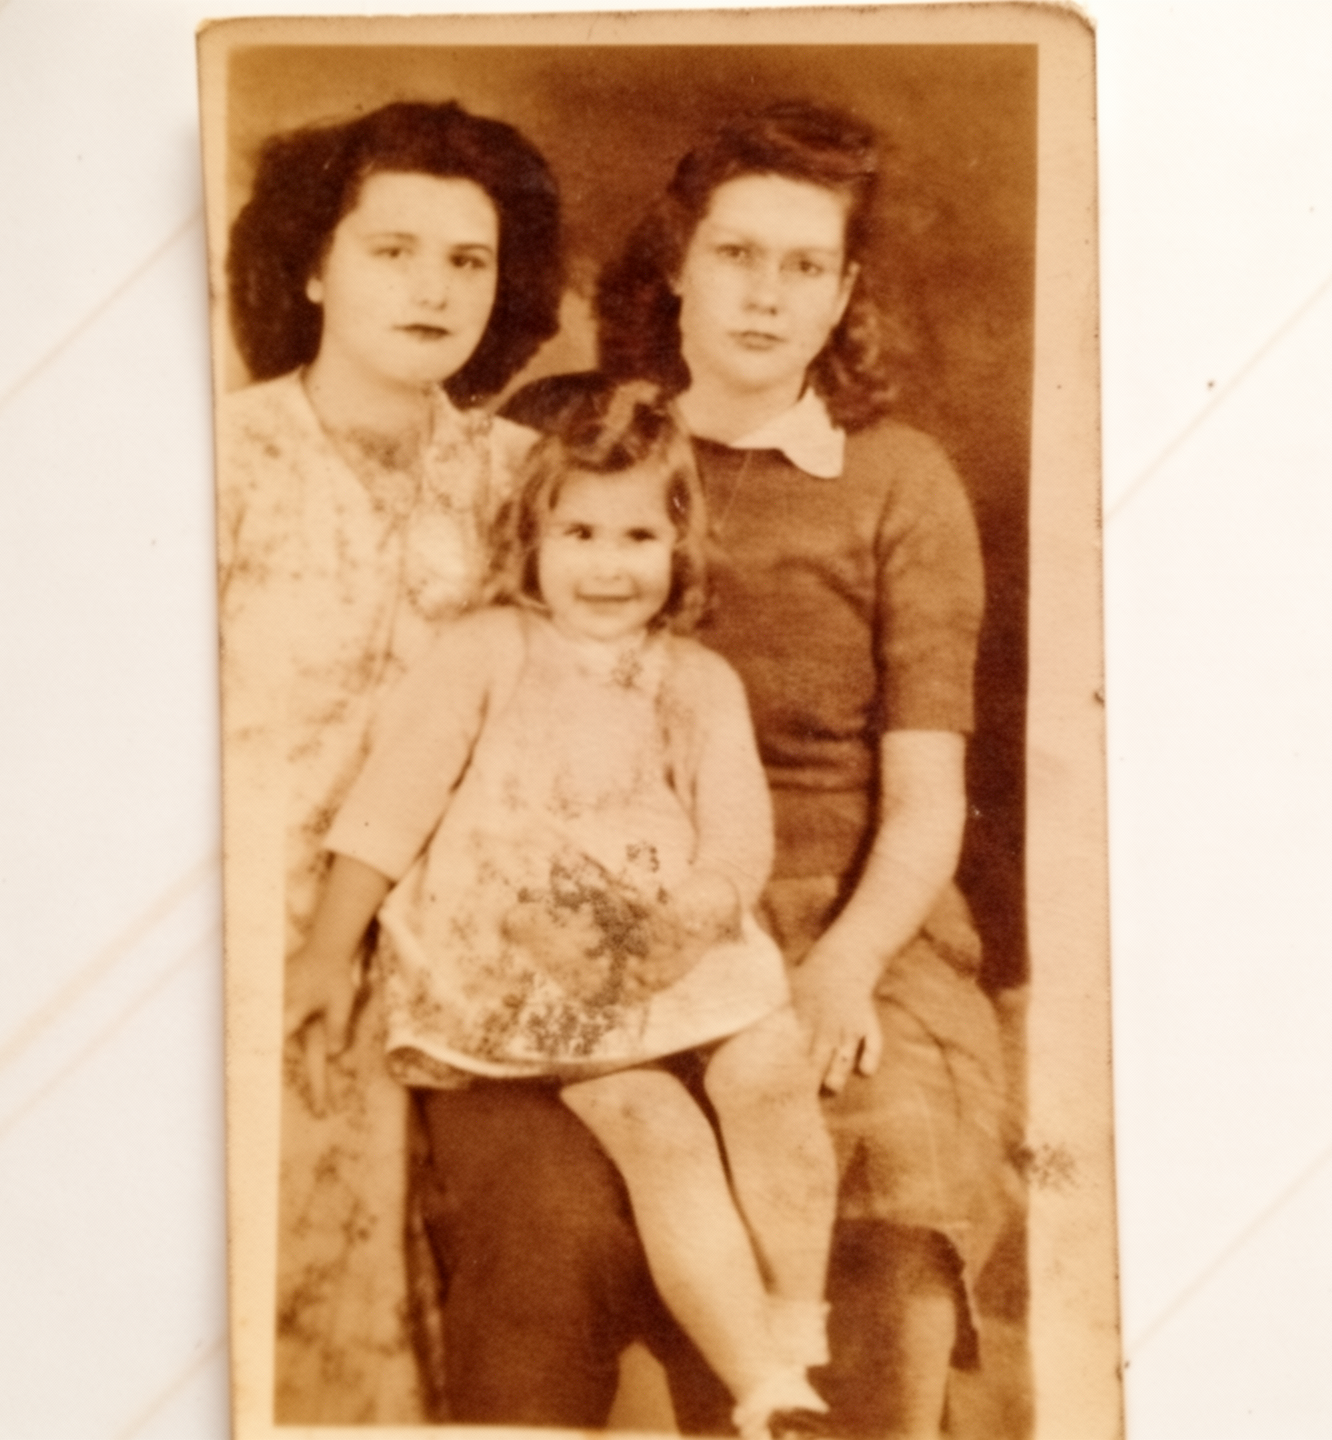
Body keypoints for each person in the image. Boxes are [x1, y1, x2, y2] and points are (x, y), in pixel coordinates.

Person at [414, 101, 1018, 1440]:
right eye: (738, 254)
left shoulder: (899, 481)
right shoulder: (567, 433)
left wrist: (844, 968)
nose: (766, 293)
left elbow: (926, 799)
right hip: (579, 904)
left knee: (886, 1181)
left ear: (844, 294)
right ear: (679, 263)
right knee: (553, 1217)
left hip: (834, 909)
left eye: (806, 267)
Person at [290, 383, 839, 1440]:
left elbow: (737, 835)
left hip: (675, 939)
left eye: (638, 536)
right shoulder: (490, 650)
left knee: (769, 1073)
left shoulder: (697, 680)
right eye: (579, 533)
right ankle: (766, 1390)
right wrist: (326, 949)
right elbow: (392, 802)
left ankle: (796, 1331)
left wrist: (696, 914)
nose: (607, 565)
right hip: (539, 958)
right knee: (659, 1126)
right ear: (532, 539)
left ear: (680, 545)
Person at [215, 99, 563, 1421]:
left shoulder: (527, 482)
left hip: (458, 944)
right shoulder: (228, 460)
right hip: (249, 933)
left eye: (468, 260)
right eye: (393, 251)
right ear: (312, 264)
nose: (435, 289)